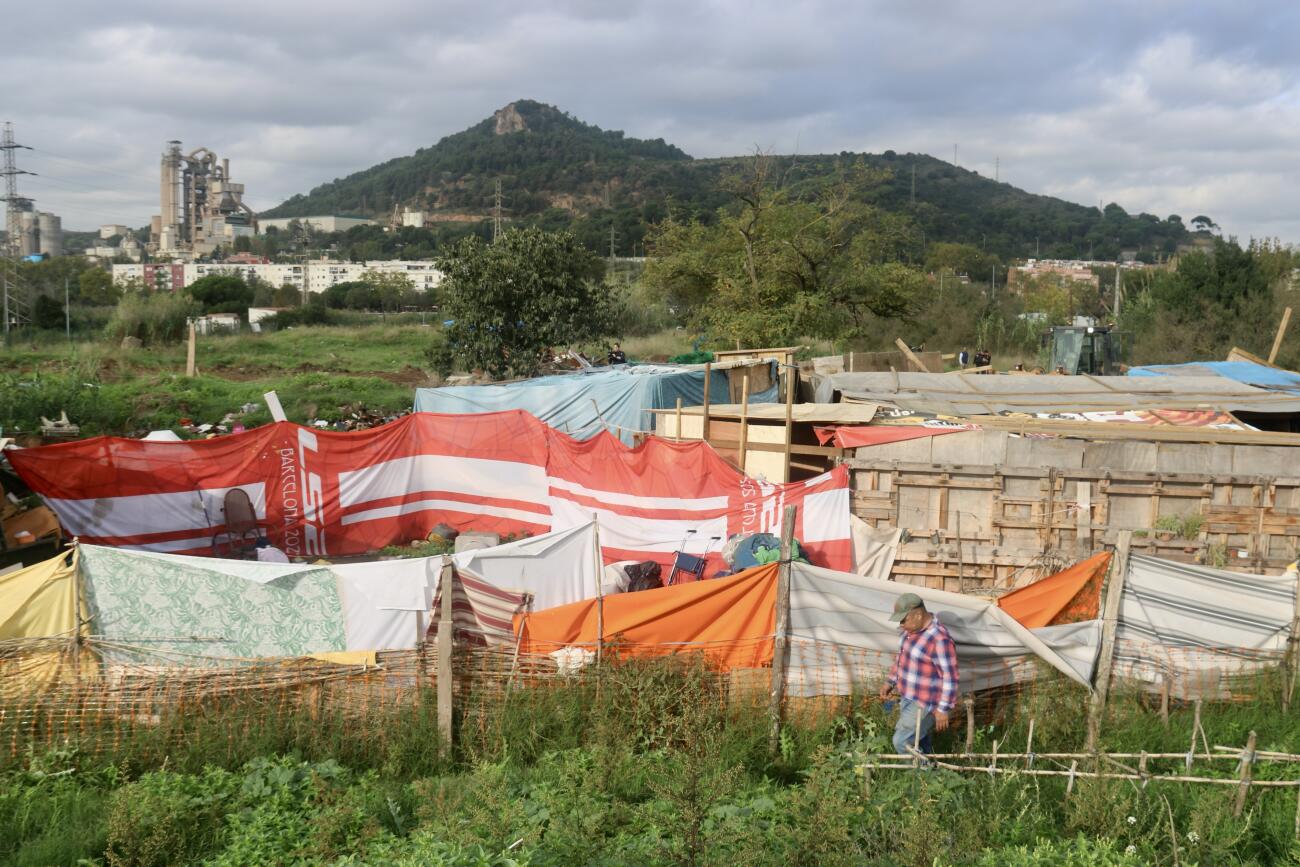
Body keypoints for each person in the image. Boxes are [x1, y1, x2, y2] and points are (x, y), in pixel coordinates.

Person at [878, 592, 959, 757]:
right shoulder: (910, 632)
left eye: (904, 620)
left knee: (901, 741)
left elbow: (950, 678)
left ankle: (920, 775)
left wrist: (943, 709)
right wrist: (890, 681)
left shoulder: (939, 639)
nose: (901, 625)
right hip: (908, 696)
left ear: (918, 614)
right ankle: (929, 775)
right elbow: (902, 658)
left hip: (925, 703)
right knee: (918, 739)